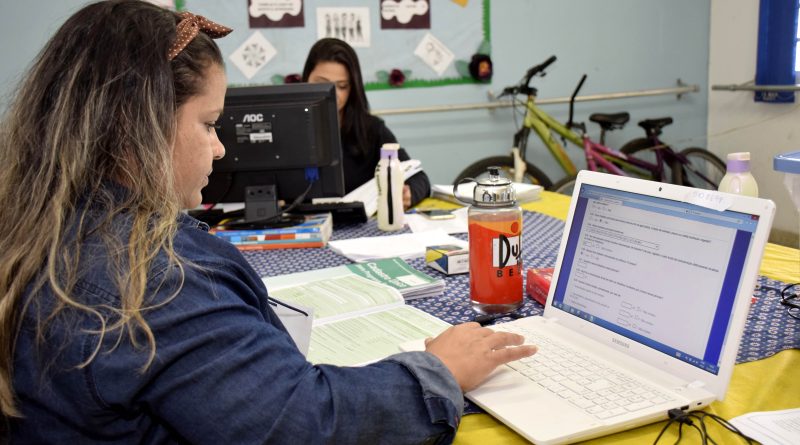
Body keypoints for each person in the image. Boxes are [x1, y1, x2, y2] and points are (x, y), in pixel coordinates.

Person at [0, 1, 536, 443]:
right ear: (137, 124)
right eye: (209, 124)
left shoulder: (36, 227)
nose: (220, 148)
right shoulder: (158, 278)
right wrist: (437, 372)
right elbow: (304, 423)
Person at [303, 38, 431, 210]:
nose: (332, 94)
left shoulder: (371, 129)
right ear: (306, 79)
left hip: (360, 223)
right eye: (322, 84)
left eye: (342, 86)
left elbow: (419, 178)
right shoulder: (285, 129)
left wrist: (409, 193)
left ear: (352, 88)